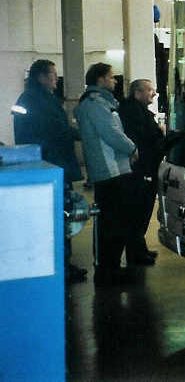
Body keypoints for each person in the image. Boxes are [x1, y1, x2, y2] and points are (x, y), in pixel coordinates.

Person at [12, 59, 87, 283]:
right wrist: (83, 135)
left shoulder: (36, 98)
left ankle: (62, 264)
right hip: (52, 165)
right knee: (59, 217)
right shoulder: (38, 100)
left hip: (47, 164)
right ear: (41, 77)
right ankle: (61, 266)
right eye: (52, 75)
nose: (56, 79)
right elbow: (56, 129)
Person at [74, 63, 138, 286]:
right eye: (111, 77)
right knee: (112, 224)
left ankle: (111, 267)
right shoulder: (95, 104)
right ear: (100, 80)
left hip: (115, 170)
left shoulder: (101, 103)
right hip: (110, 171)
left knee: (114, 222)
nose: (115, 81)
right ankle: (108, 270)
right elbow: (111, 133)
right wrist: (132, 148)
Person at [118, 79, 163, 266]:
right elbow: (145, 137)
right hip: (141, 169)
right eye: (150, 90)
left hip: (145, 166)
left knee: (142, 212)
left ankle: (139, 248)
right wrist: (160, 132)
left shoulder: (139, 111)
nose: (154, 93)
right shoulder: (133, 113)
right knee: (138, 211)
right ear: (137, 93)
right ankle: (135, 252)